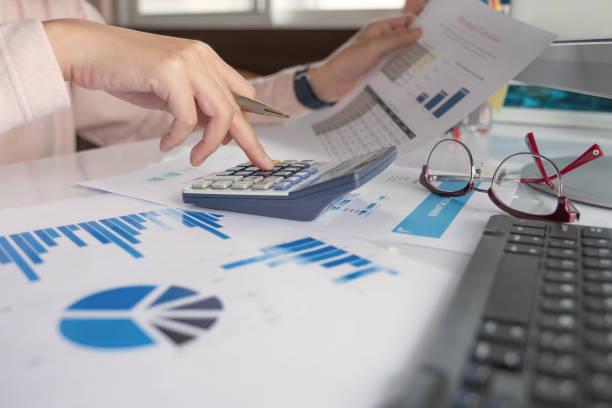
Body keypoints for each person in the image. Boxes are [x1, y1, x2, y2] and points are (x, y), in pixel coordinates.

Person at [0, 0, 422, 168]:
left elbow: (164, 113)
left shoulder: (59, 7)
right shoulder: (68, 25)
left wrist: (315, 83)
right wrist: (57, 47)